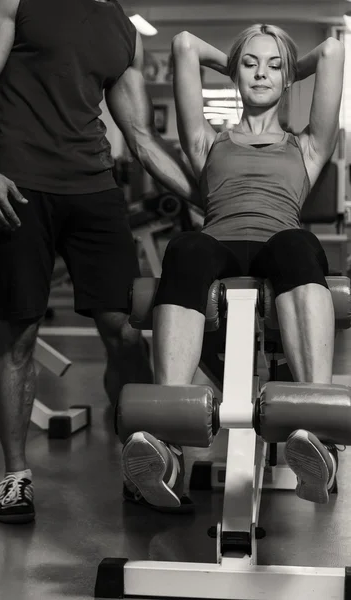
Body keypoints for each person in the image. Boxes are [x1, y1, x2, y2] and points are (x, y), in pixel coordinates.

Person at [0, 0, 199, 524]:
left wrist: (205, 197)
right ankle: (16, 476)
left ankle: (142, 465)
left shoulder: (123, 31)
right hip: (20, 185)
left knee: (126, 331)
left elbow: (139, 138)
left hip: (93, 188)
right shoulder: (12, 3)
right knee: (18, 331)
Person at [122, 24, 345, 511]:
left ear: (288, 78)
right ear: (233, 73)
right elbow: (183, 44)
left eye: (273, 65)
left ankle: (316, 436)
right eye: (250, 64)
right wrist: (244, 63)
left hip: (278, 246)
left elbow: (331, 51)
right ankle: (168, 444)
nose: (260, 72)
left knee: (298, 245)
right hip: (218, 244)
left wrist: (281, 69)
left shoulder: (307, 146)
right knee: (186, 247)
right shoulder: (206, 142)